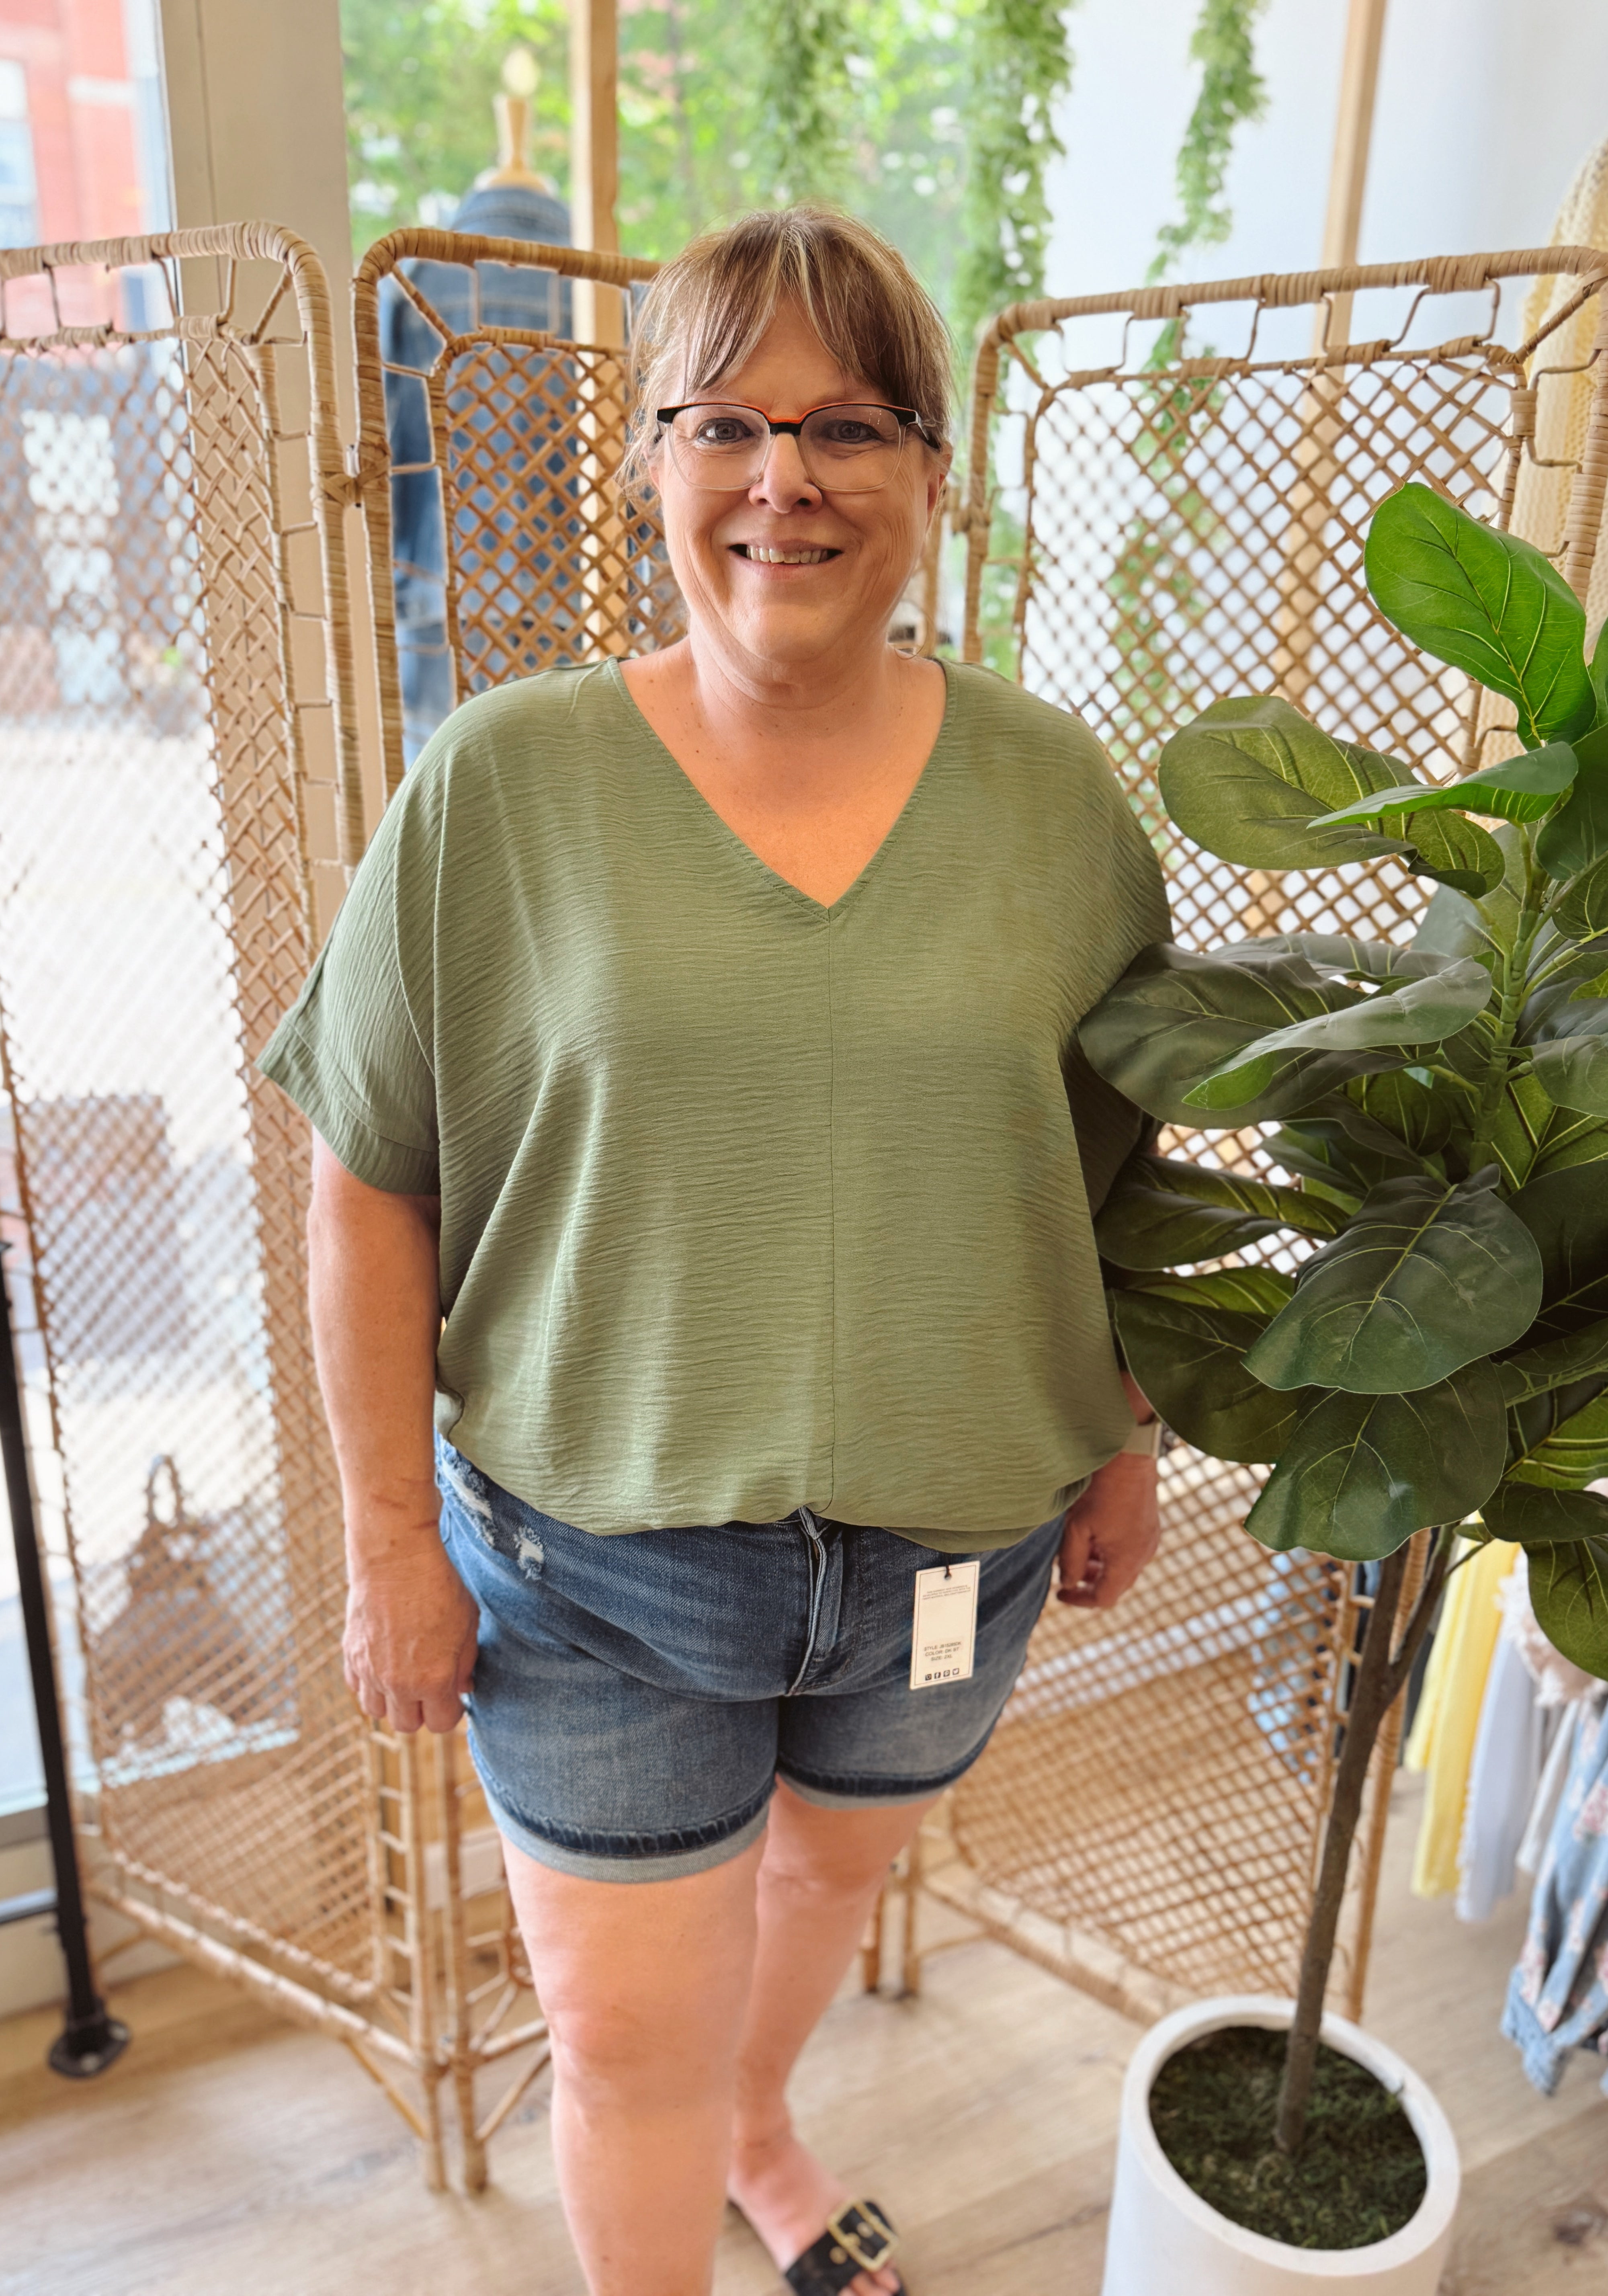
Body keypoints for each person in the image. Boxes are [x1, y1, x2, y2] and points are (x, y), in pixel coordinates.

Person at [261, 205, 1169, 2296]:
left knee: (823, 1900)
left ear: (934, 474)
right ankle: (700, 2158)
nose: (786, 478)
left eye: (848, 424)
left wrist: (1124, 1432)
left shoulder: (1054, 802)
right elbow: (364, 1175)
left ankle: (767, 2121)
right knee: (622, 2046)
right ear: (650, 463)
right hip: (599, 1576)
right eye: (727, 423)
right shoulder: (503, 789)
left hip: (955, 1555)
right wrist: (387, 1533)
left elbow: (1112, 1173)